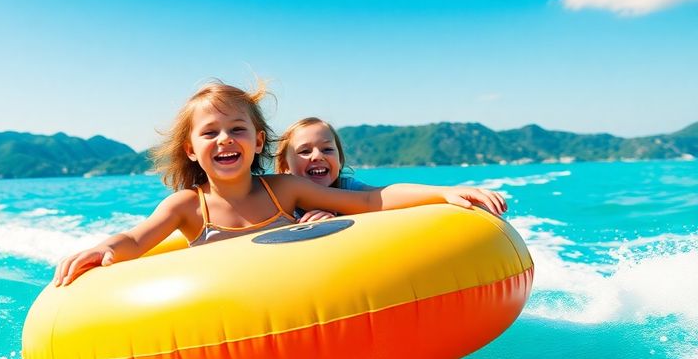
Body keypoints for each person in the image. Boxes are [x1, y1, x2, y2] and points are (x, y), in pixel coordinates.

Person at [53, 81, 505, 287]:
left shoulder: (284, 189)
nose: (224, 139)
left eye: (237, 130)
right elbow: (137, 238)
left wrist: (443, 193)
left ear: (258, 141)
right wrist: (106, 249)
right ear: (191, 150)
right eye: (209, 133)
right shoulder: (186, 207)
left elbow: (368, 198)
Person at [275, 116, 506, 222]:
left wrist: (445, 192)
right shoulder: (280, 201)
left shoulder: (347, 188)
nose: (317, 156)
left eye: (327, 150)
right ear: (285, 167)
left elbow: (381, 195)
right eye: (304, 151)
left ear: (340, 158)